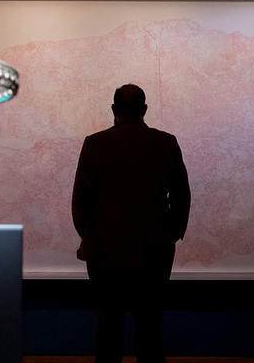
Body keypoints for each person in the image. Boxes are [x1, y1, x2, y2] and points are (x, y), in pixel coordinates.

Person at [71, 83, 190, 363]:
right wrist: (170, 234)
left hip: (105, 254)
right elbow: (182, 196)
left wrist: (91, 236)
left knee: (108, 331)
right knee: (150, 330)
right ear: (145, 109)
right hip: (154, 252)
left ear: (113, 109)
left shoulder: (95, 144)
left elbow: (81, 202)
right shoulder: (165, 143)